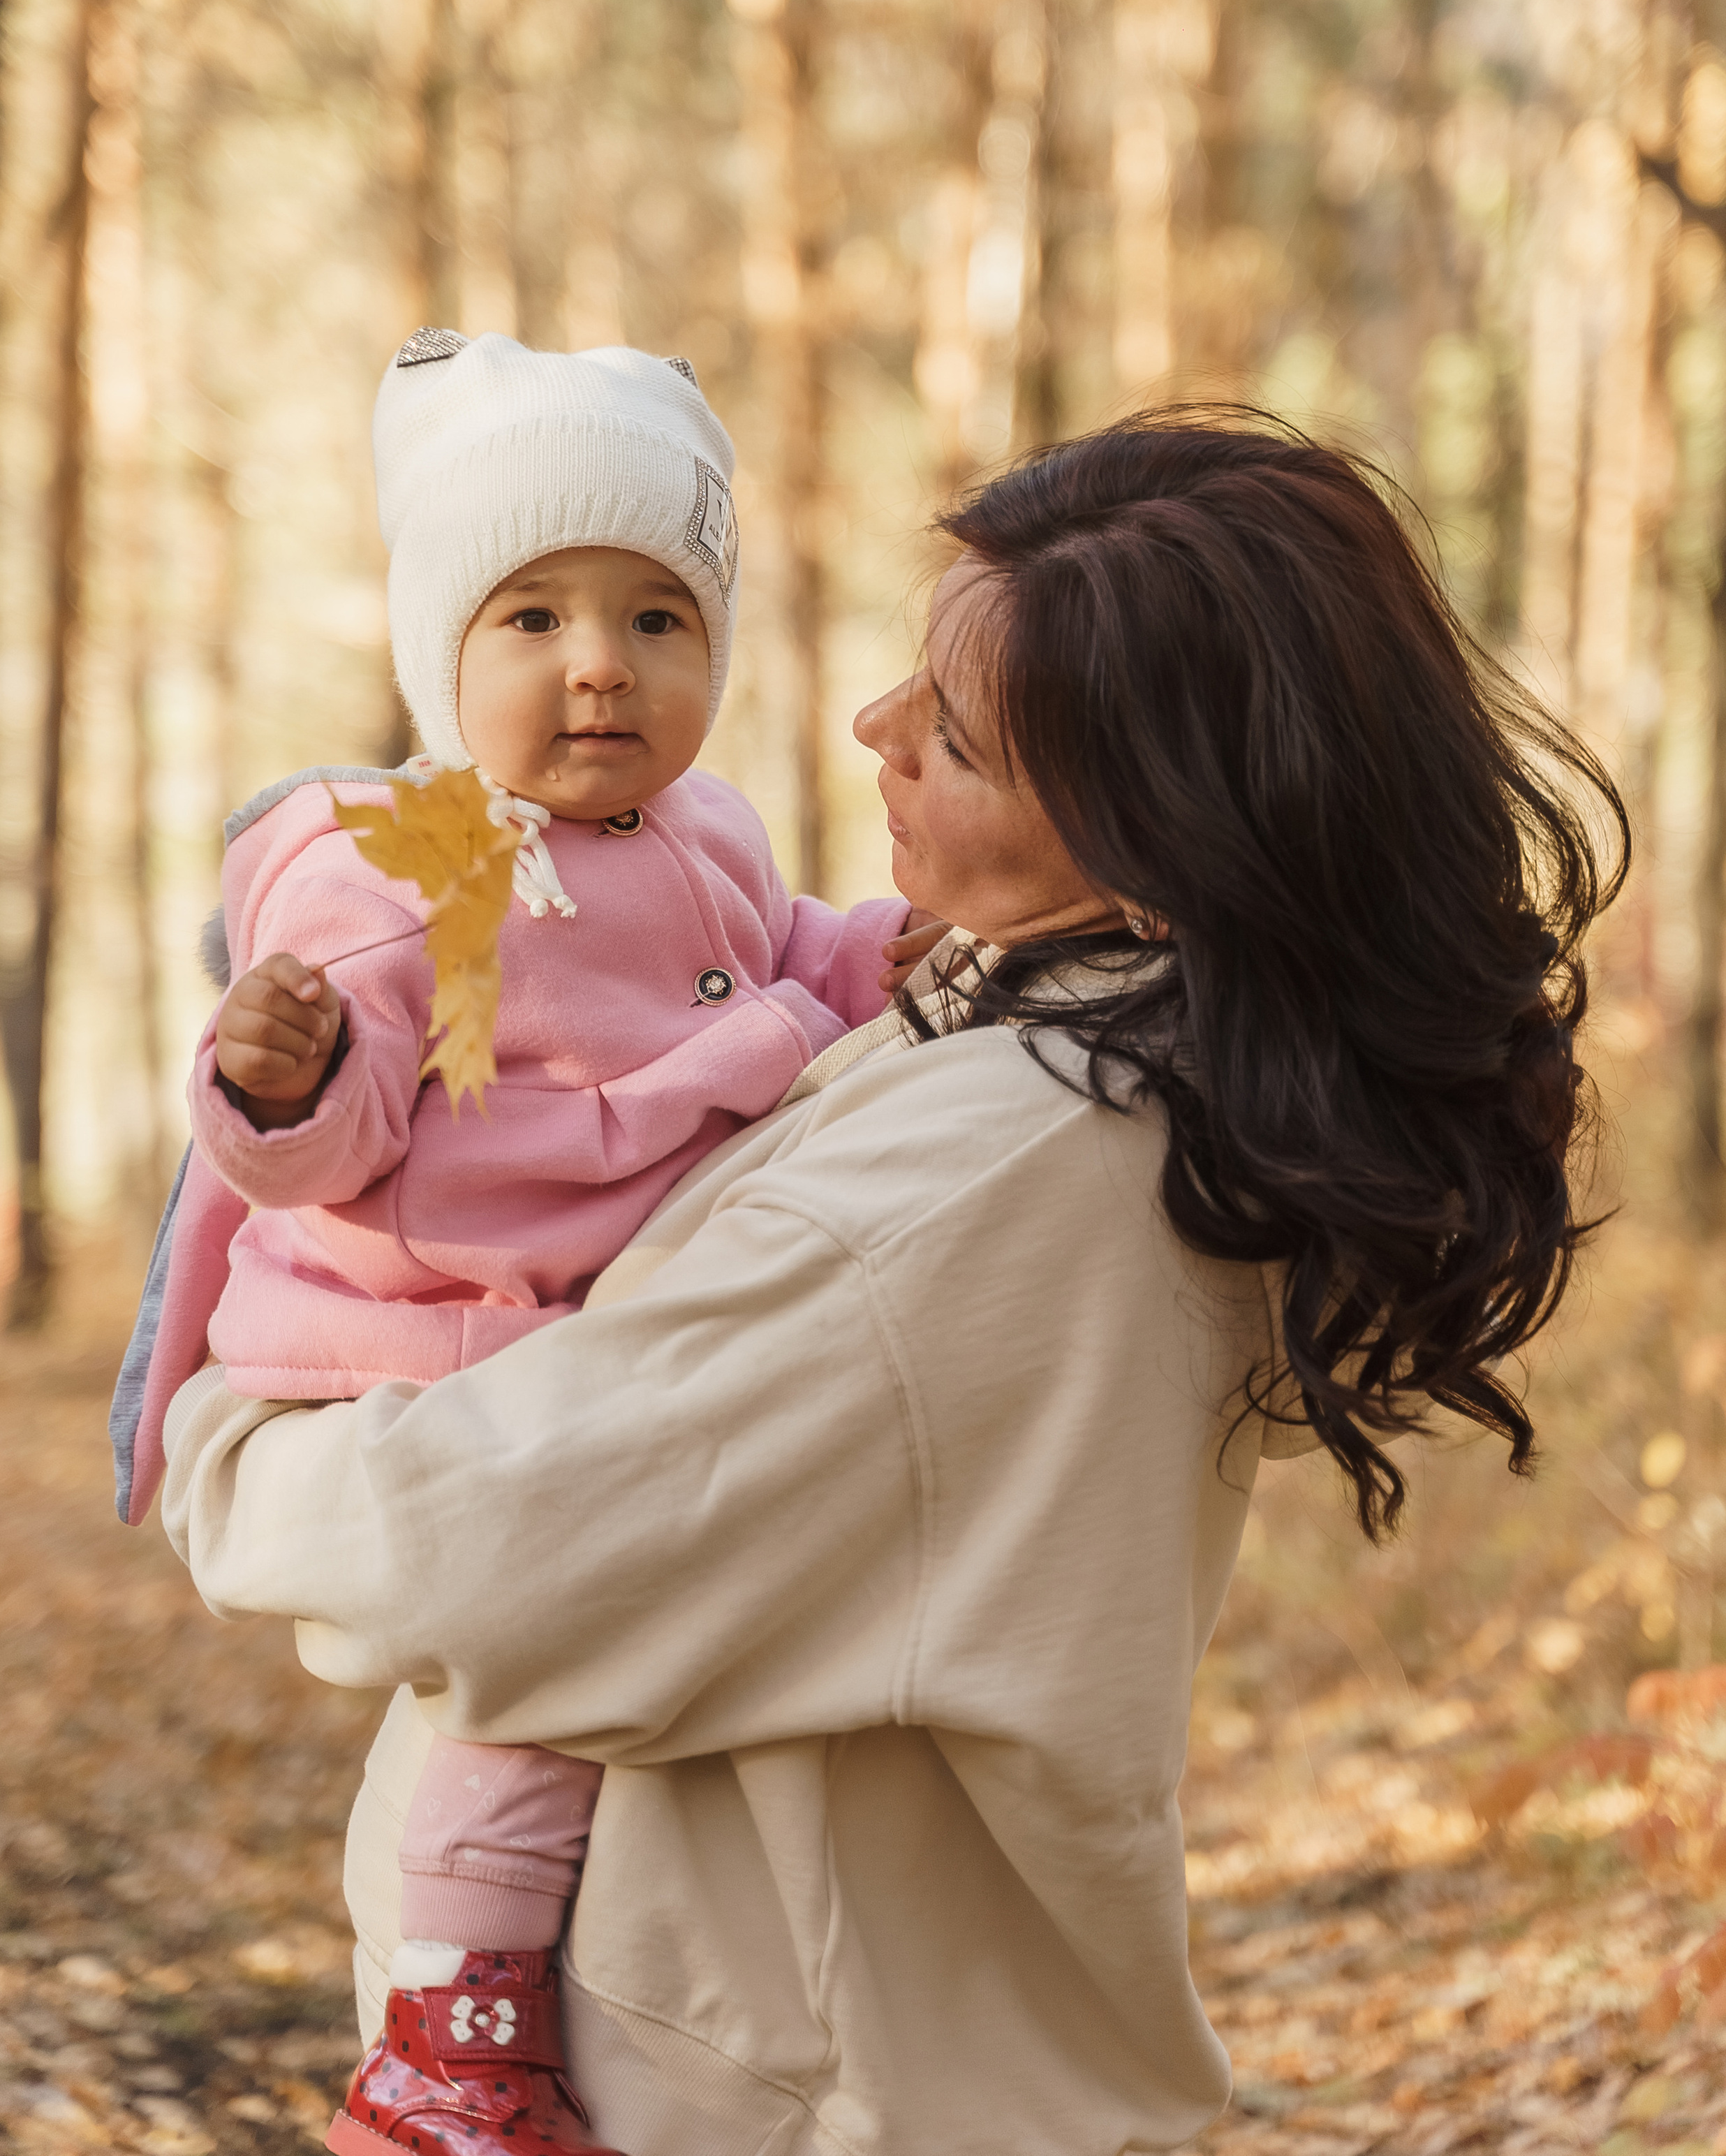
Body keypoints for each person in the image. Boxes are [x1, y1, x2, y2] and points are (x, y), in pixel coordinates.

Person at [159, 413, 1625, 2156]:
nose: (874, 731)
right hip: (825, 2058)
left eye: (959, 738)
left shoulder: (985, 1176)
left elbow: (472, 1552)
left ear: (1163, 844)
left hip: (770, 2097)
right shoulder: (1090, 1058)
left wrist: (232, 1423)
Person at [112, 331, 938, 2156]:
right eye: (535, 618)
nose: (601, 669)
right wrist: (283, 1072)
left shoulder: (704, 830)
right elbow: (334, 1140)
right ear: (443, 652)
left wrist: (899, 957)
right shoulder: (414, 863)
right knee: (552, 1644)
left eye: (658, 618)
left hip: (591, 1304)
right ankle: (452, 2028)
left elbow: (792, 956)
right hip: (435, 1322)